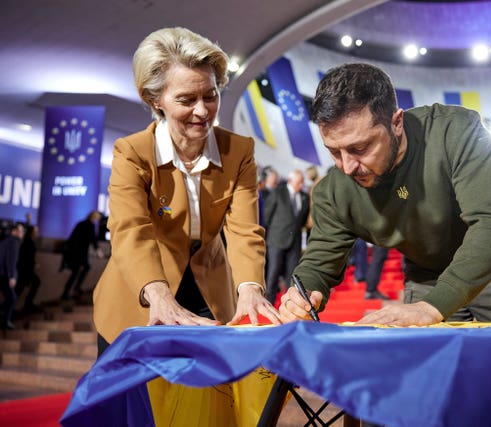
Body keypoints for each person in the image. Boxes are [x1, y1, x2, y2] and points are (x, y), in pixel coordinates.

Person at [279, 63, 491, 326]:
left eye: (360, 148)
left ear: (396, 123)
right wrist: (304, 293)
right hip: (426, 273)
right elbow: (318, 261)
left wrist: (433, 306)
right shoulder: (333, 192)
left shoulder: (453, 131)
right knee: (431, 366)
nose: (347, 166)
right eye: (334, 151)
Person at [92, 27, 280, 355]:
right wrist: (159, 295)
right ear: (155, 99)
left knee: (211, 398)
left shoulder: (239, 151)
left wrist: (250, 287)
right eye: (186, 99)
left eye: (210, 95)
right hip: (144, 289)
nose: (202, 111)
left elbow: (245, 231)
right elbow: (130, 231)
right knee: (135, 403)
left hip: (209, 290)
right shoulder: (132, 152)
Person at [263, 169, 310, 303]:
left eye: (302, 182)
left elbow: (303, 219)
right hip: (276, 240)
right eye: (298, 182)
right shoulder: (278, 192)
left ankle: (289, 304)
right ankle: (269, 303)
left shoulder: (304, 197)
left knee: (292, 275)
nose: (301, 185)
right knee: (273, 273)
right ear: (290, 181)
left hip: (294, 242)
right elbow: (267, 215)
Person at [60, 210, 104, 300]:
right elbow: (92, 239)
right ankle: (72, 289)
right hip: (78, 252)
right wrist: (98, 251)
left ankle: (69, 291)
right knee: (80, 269)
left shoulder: (81, 223)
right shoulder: (89, 225)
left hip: (75, 251)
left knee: (80, 269)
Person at [0, 223, 25, 329]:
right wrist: (12, 276)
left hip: (2, 274)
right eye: (20, 231)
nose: (22, 233)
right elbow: (11, 260)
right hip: (5, 275)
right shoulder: (14, 242)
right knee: (12, 298)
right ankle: (6, 321)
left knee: (10, 298)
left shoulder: (5, 240)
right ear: (14, 231)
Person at [16, 225, 42, 313]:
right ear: (32, 233)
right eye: (36, 231)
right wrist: (33, 265)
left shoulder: (27, 242)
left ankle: (9, 308)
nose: (37, 233)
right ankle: (28, 303)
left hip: (24, 270)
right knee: (20, 289)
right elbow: (27, 258)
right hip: (25, 270)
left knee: (19, 289)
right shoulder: (29, 243)